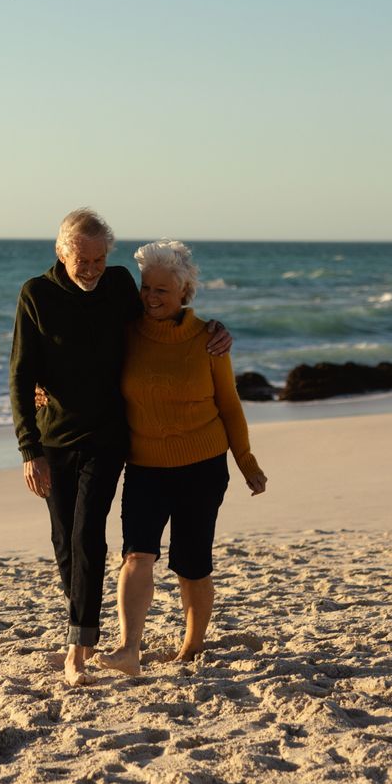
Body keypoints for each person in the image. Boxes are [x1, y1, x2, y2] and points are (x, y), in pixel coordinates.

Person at [9, 211, 231, 687]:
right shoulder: (37, 295)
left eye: (99, 258)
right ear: (60, 252)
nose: (91, 267)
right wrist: (30, 449)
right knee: (64, 541)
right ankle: (81, 626)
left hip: (109, 438)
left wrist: (211, 328)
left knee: (89, 533)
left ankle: (78, 650)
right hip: (55, 438)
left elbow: (163, 321)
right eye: (81, 259)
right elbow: (21, 374)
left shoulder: (116, 286)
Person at [97, 239, 267, 677]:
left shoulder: (208, 340)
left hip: (203, 467)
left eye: (162, 292)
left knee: (191, 566)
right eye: (146, 288)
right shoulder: (125, 331)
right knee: (136, 555)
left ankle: (191, 647)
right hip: (145, 467)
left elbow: (229, 404)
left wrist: (246, 461)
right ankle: (128, 648)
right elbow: (84, 359)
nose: (151, 298)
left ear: (183, 295)